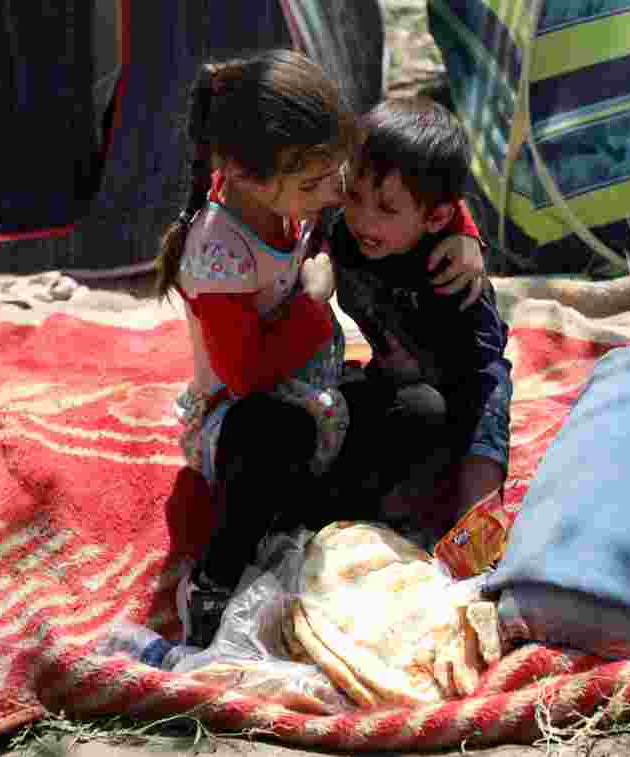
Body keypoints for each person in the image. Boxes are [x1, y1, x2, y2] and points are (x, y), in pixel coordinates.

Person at [155, 51, 488, 651]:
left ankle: (306, 523)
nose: (333, 197)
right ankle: (216, 579)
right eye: (317, 185)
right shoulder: (218, 249)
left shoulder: (292, 190)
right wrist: (312, 305)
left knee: (421, 409)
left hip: (320, 401)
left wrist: (462, 231)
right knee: (271, 432)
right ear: (246, 176)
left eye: (330, 178)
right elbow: (247, 375)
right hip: (243, 421)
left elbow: (402, 172)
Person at [321, 97, 512, 539]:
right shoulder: (346, 235)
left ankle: (446, 522)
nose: (363, 219)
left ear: (437, 217)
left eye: (386, 208)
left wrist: (477, 506)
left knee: (439, 416)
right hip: (391, 385)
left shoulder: (453, 278)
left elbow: (483, 384)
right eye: (355, 197)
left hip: (449, 407)